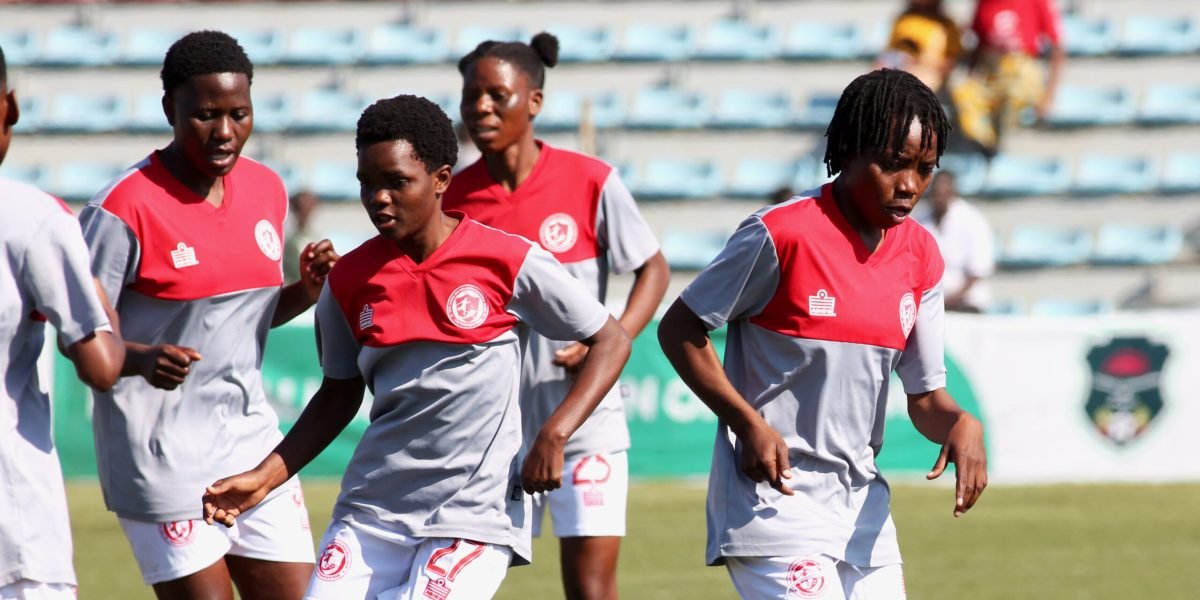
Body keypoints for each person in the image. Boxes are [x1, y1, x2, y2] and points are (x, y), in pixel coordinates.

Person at [201, 94, 632, 599]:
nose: (378, 198)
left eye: (397, 182)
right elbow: (337, 397)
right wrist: (263, 477)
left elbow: (610, 338)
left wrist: (555, 432)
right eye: (367, 183)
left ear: (442, 179)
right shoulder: (348, 281)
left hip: (472, 513)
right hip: (371, 509)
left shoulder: (507, 259)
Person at [657, 69, 988, 600]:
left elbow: (925, 396)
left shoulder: (922, 254)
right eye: (893, 164)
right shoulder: (780, 233)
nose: (909, 185)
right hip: (774, 501)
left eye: (925, 169)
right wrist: (746, 421)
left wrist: (960, 423)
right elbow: (679, 328)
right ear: (850, 151)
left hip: (863, 510)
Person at [77, 31, 338, 599]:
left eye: (239, 114)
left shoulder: (267, 189)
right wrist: (142, 360)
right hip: (160, 456)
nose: (224, 131)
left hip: (251, 443)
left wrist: (304, 292)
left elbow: (240, 323)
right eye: (205, 115)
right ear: (171, 108)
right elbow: (85, 337)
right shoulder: (122, 207)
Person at [444, 32, 670, 600]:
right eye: (472, 96)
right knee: (462, 581)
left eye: (497, 95)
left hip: (585, 420)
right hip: (492, 428)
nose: (481, 108)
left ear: (535, 102)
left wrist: (609, 339)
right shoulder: (450, 199)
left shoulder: (591, 180)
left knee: (590, 589)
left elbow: (653, 270)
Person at [0, 43, 125, 600]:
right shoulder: (31, 216)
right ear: (12, 107)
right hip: (14, 523)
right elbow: (100, 365)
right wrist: (95, 294)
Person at [952, 0, 1065, 155]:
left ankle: (1002, 143)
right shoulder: (984, 3)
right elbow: (979, 45)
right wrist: (972, 75)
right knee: (963, 93)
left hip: (1021, 70)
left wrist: (1049, 94)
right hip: (991, 71)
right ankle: (987, 144)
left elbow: (1057, 47)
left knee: (1013, 93)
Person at [917, 171, 995, 312]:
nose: (939, 198)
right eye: (936, 193)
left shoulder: (973, 220)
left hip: (966, 304)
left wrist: (947, 303)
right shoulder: (920, 220)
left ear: (953, 193)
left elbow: (977, 272)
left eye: (944, 193)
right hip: (929, 303)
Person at [875, 0, 963, 94]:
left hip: (929, 78)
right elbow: (889, 54)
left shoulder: (946, 25)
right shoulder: (903, 20)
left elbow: (951, 62)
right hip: (899, 72)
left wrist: (922, 63)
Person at [283, 190, 320, 284]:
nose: (305, 213)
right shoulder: (287, 237)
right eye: (301, 208)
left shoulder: (315, 236)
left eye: (308, 208)